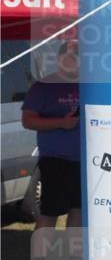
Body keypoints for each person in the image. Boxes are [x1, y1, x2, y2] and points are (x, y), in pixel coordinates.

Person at [21, 41, 81, 231]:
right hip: (56, 161)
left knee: (79, 210)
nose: (73, 60)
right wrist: (61, 123)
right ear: (59, 59)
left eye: (77, 56)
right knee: (50, 212)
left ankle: (73, 251)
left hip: (85, 160)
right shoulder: (43, 87)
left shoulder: (88, 85)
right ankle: (40, 251)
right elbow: (27, 121)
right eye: (68, 56)